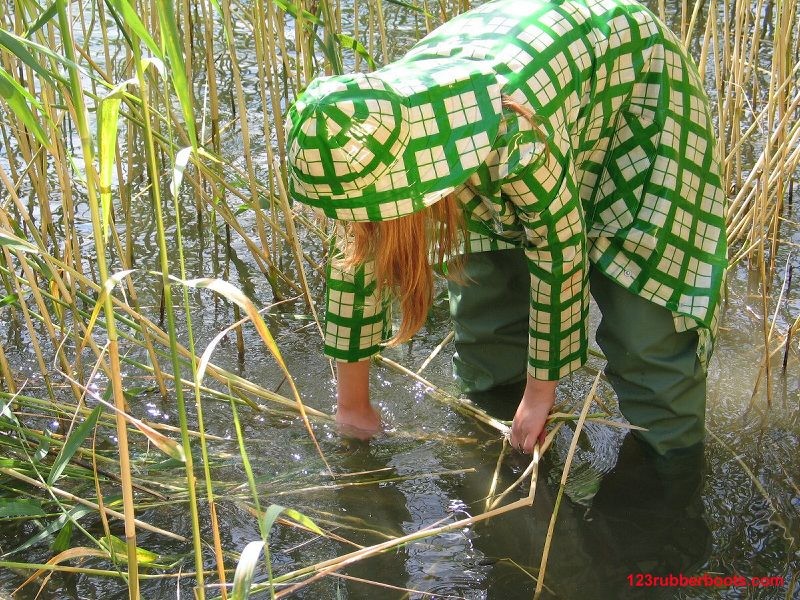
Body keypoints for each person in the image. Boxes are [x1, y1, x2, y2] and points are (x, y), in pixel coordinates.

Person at [285, 0, 727, 456]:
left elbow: (560, 249)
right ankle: (495, 446)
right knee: (486, 323)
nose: (363, 224)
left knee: (645, 334)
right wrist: (352, 406)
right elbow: (357, 263)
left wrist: (540, 395)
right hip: (532, 92)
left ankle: (666, 488)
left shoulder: (512, 134)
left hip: (635, 87)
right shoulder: (357, 145)